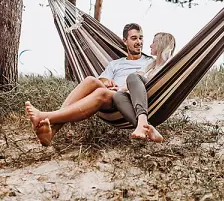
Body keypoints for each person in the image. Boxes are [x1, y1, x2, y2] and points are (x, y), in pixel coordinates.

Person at [25, 23, 154, 146]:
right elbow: (102, 79)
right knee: (90, 80)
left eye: (141, 38)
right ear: (125, 41)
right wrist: (107, 82)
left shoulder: (149, 61)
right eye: (134, 38)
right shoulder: (115, 64)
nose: (139, 42)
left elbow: (152, 80)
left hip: (131, 97)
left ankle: (45, 116)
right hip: (112, 94)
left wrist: (121, 87)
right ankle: (51, 133)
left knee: (101, 93)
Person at [113, 32, 176, 142]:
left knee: (133, 76)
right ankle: (147, 128)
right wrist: (119, 88)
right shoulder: (151, 63)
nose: (150, 45)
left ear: (161, 44)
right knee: (118, 96)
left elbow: (136, 78)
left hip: (157, 100)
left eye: (153, 42)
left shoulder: (170, 64)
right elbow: (136, 80)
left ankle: (142, 123)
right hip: (141, 100)